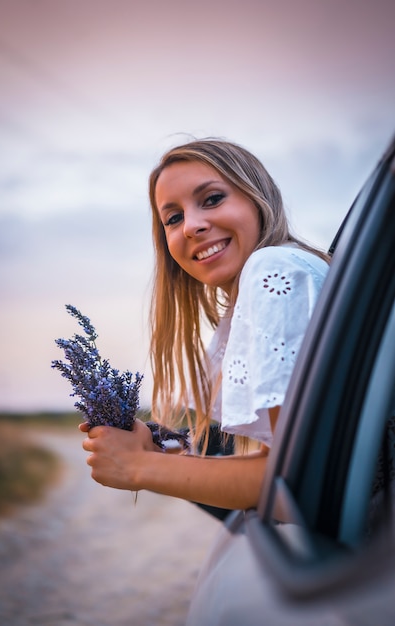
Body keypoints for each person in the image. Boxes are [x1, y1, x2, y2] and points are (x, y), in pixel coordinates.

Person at [79, 138, 329, 513]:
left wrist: (139, 467)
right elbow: (286, 469)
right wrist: (161, 451)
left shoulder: (274, 270)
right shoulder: (283, 276)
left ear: (257, 198)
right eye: (174, 218)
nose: (192, 226)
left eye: (212, 199)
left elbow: (295, 481)